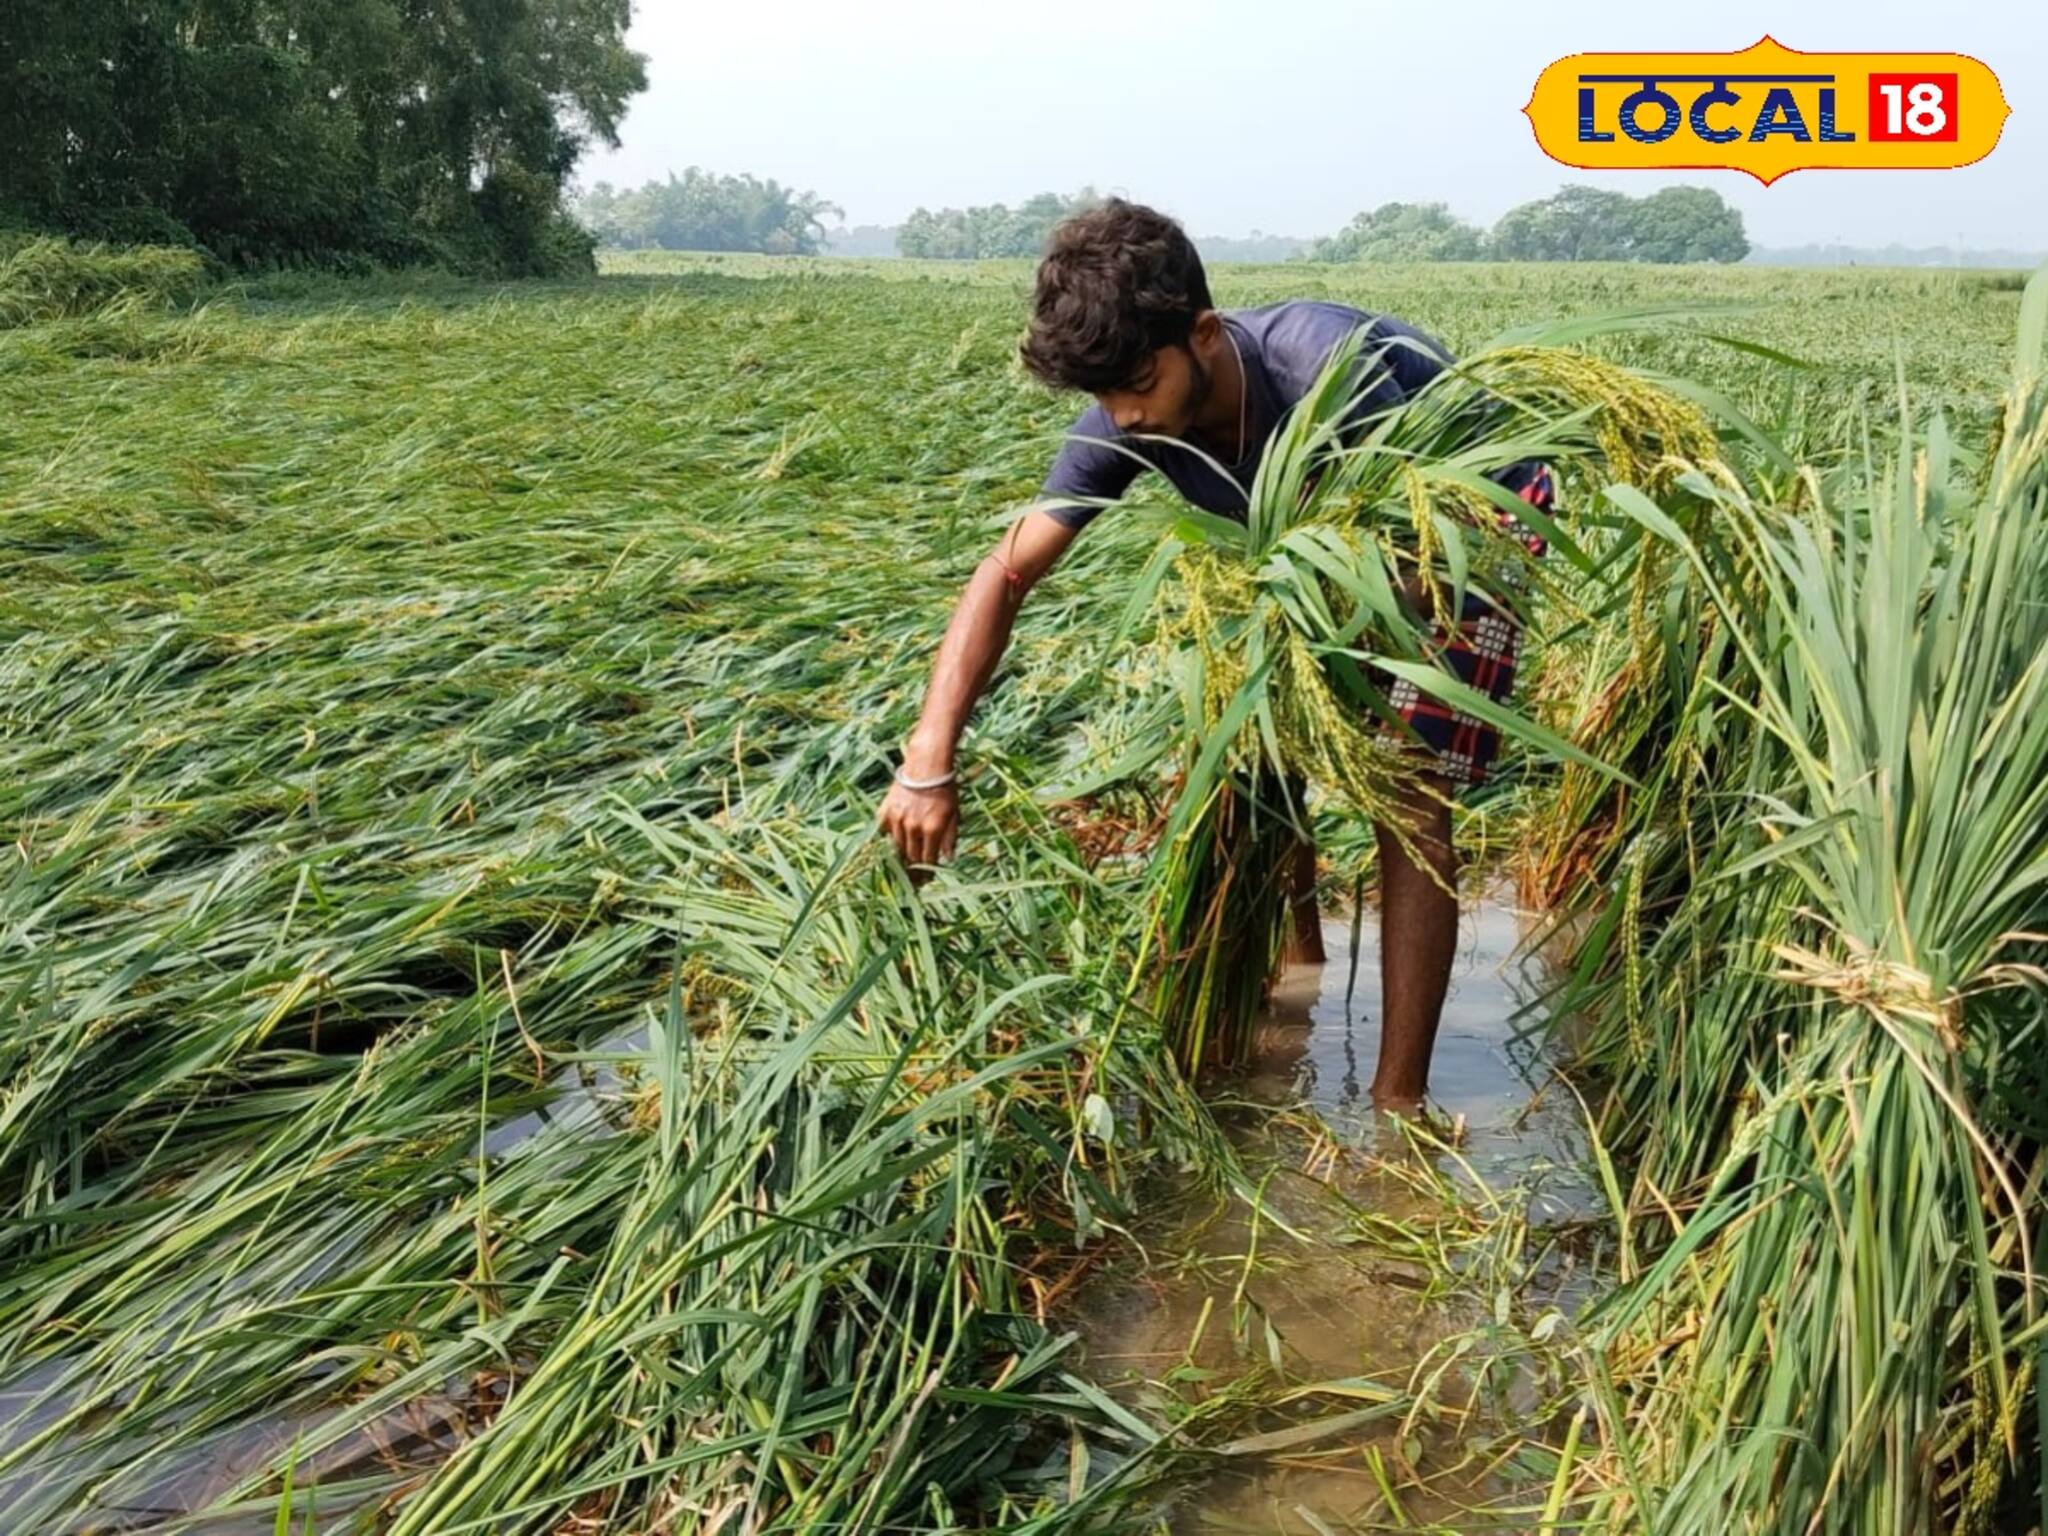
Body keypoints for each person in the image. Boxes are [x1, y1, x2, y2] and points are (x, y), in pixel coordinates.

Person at [878, 199, 1553, 1111]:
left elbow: (1419, 564)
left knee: (1404, 778)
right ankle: (1300, 962)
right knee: (1250, 731)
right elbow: (1004, 573)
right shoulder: (1129, 413)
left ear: (1200, 334)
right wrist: (927, 757)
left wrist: (1320, 681)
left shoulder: (1328, 371)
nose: (1123, 415)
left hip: (1471, 518)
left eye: (1136, 386)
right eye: (1102, 397)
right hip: (1316, 556)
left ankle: (1399, 1105)